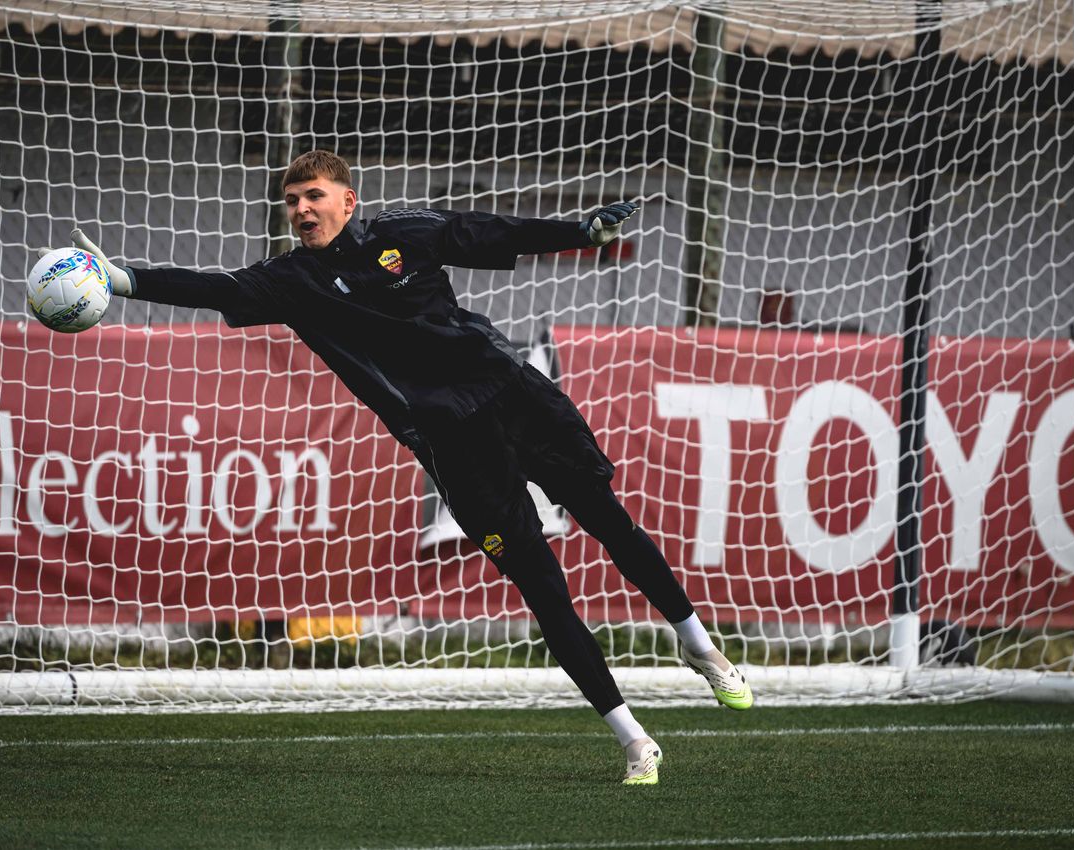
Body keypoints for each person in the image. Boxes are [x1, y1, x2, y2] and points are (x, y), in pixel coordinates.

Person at [57, 149, 752, 785]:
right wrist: (124, 280)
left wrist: (581, 231)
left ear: (348, 201)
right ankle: (634, 740)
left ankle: (697, 644)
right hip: (453, 443)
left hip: (514, 395)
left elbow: (492, 232)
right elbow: (214, 288)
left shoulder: (404, 234)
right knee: (543, 588)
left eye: (313, 196)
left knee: (609, 521)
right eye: (292, 200)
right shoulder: (291, 280)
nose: (301, 209)